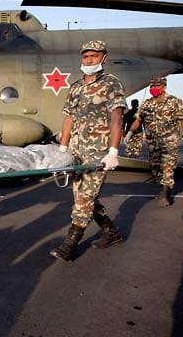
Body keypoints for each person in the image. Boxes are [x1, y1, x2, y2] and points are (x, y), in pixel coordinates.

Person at [50, 41, 125, 262]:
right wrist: (63, 149)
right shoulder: (75, 86)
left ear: (104, 57)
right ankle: (112, 233)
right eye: (86, 56)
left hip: (98, 153)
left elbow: (117, 117)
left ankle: (69, 245)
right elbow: (68, 119)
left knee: (83, 199)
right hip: (77, 152)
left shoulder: (111, 84)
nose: (89, 60)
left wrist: (113, 151)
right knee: (84, 197)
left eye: (94, 56)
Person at [125, 77, 183, 206]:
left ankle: (165, 192)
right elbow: (138, 120)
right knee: (155, 167)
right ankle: (162, 185)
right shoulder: (146, 104)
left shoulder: (174, 101)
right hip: (153, 142)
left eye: (157, 86)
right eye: (152, 86)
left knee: (167, 166)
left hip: (170, 141)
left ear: (164, 87)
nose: (153, 89)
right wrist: (130, 132)